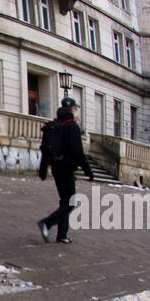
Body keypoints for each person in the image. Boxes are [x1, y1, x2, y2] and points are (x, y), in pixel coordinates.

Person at [38, 99, 94, 243]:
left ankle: (62, 235)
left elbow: (44, 148)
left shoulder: (53, 125)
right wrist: (88, 170)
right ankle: (47, 223)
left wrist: (43, 169)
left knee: (65, 201)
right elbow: (78, 151)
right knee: (70, 203)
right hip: (66, 168)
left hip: (55, 167)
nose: (76, 111)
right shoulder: (71, 126)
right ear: (72, 109)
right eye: (75, 108)